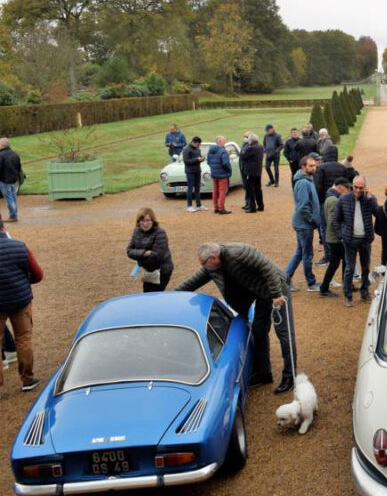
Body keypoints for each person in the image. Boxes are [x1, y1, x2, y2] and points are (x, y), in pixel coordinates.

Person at [176, 242, 296, 394]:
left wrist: (276, 294)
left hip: (277, 290)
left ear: (213, 258)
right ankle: (264, 374)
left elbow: (267, 268)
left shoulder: (239, 253)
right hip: (259, 293)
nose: (204, 267)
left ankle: (290, 376)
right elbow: (193, 281)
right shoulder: (212, 267)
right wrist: (170, 295)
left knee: (284, 334)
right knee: (258, 331)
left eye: (204, 264)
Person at [0, 217, 42, 393]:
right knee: (23, 339)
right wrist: (24, 282)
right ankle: (27, 379)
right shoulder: (19, 246)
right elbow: (38, 274)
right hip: (20, 299)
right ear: (3, 226)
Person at [332, 175, 379, 306]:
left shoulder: (370, 199)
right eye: (356, 187)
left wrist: (370, 198)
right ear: (352, 186)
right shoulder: (343, 199)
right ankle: (348, 296)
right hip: (349, 240)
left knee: (365, 268)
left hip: (365, 239)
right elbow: (335, 219)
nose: (358, 190)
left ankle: (365, 292)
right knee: (349, 268)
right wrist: (341, 235)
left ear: (365, 187)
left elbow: (378, 214)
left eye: (361, 188)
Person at [285, 155, 320, 292]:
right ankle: (311, 283)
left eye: (314, 165)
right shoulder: (304, 183)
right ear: (303, 167)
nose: (314, 168)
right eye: (310, 166)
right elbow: (303, 206)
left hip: (304, 224)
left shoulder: (307, 179)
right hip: (304, 225)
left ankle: (285, 279)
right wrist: (313, 219)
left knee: (300, 253)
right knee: (307, 254)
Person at [126, 207, 173, 292]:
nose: (145, 224)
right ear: (138, 221)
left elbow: (156, 256)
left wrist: (140, 260)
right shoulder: (136, 231)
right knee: (146, 294)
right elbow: (129, 251)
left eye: (148, 220)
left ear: (153, 221)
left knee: (156, 295)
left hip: (162, 270)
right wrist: (144, 253)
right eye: (142, 221)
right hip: (148, 270)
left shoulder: (160, 232)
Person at [318, 178, 351, 298]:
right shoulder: (333, 200)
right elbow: (333, 221)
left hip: (333, 237)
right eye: (347, 188)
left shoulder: (331, 197)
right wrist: (342, 235)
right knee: (338, 262)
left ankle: (344, 284)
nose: (348, 191)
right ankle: (325, 288)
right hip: (335, 238)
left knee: (341, 261)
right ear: (340, 187)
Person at [239, 132, 264, 213]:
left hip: (250, 171)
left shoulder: (250, 148)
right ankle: (260, 206)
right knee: (258, 189)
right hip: (258, 171)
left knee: (250, 190)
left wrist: (245, 148)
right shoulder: (260, 147)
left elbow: (242, 156)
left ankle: (252, 207)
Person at [207, 135, 232, 214]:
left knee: (215, 191)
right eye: (224, 141)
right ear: (220, 142)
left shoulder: (210, 151)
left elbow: (208, 162)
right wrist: (229, 170)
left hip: (214, 173)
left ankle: (216, 207)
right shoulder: (223, 151)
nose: (225, 142)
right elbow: (225, 163)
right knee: (222, 192)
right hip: (222, 174)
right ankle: (221, 208)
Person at [0, 138, 23, 223]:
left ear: (2, 145)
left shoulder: (1, 155)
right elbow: (19, 167)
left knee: (8, 198)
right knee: (13, 197)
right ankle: (14, 214)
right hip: (14, 179)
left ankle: (13, 215)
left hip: (4, 180)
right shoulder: (15, 154)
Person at [181, 136, 206, 212]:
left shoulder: (198, 149)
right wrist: (196, 159)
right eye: (198, 144)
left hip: (197, 170)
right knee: (190, 188)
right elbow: (186, 161)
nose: (198, 146)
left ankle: (199, 205)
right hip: (190, 172)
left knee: (198, 188)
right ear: (194, 142)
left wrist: (202, 159)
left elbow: (199, 158)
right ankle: (189, 206)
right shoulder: (186, 149)